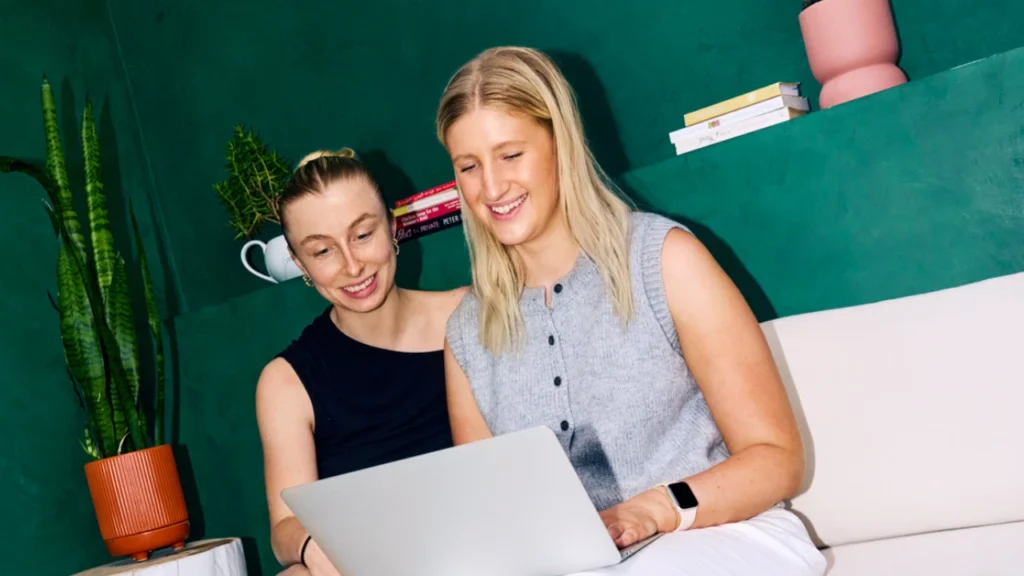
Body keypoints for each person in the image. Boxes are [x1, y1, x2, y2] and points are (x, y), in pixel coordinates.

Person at [436, 47, 827, 575]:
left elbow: (777, 456)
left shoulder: (664, 259)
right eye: (469, 166)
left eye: (510, 155)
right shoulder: (467, 332)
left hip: (721, 532)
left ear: (559, 145)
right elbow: (497, 509)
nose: (491, 187)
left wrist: (657, 508)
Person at [255, 149, 467, 576]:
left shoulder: (466, 316)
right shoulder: (286, 382)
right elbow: (283, 531)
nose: (352, 266)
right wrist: (313, 548)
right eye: (322, 251)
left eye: (362, 235)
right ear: (300, 266)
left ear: (392, 227)